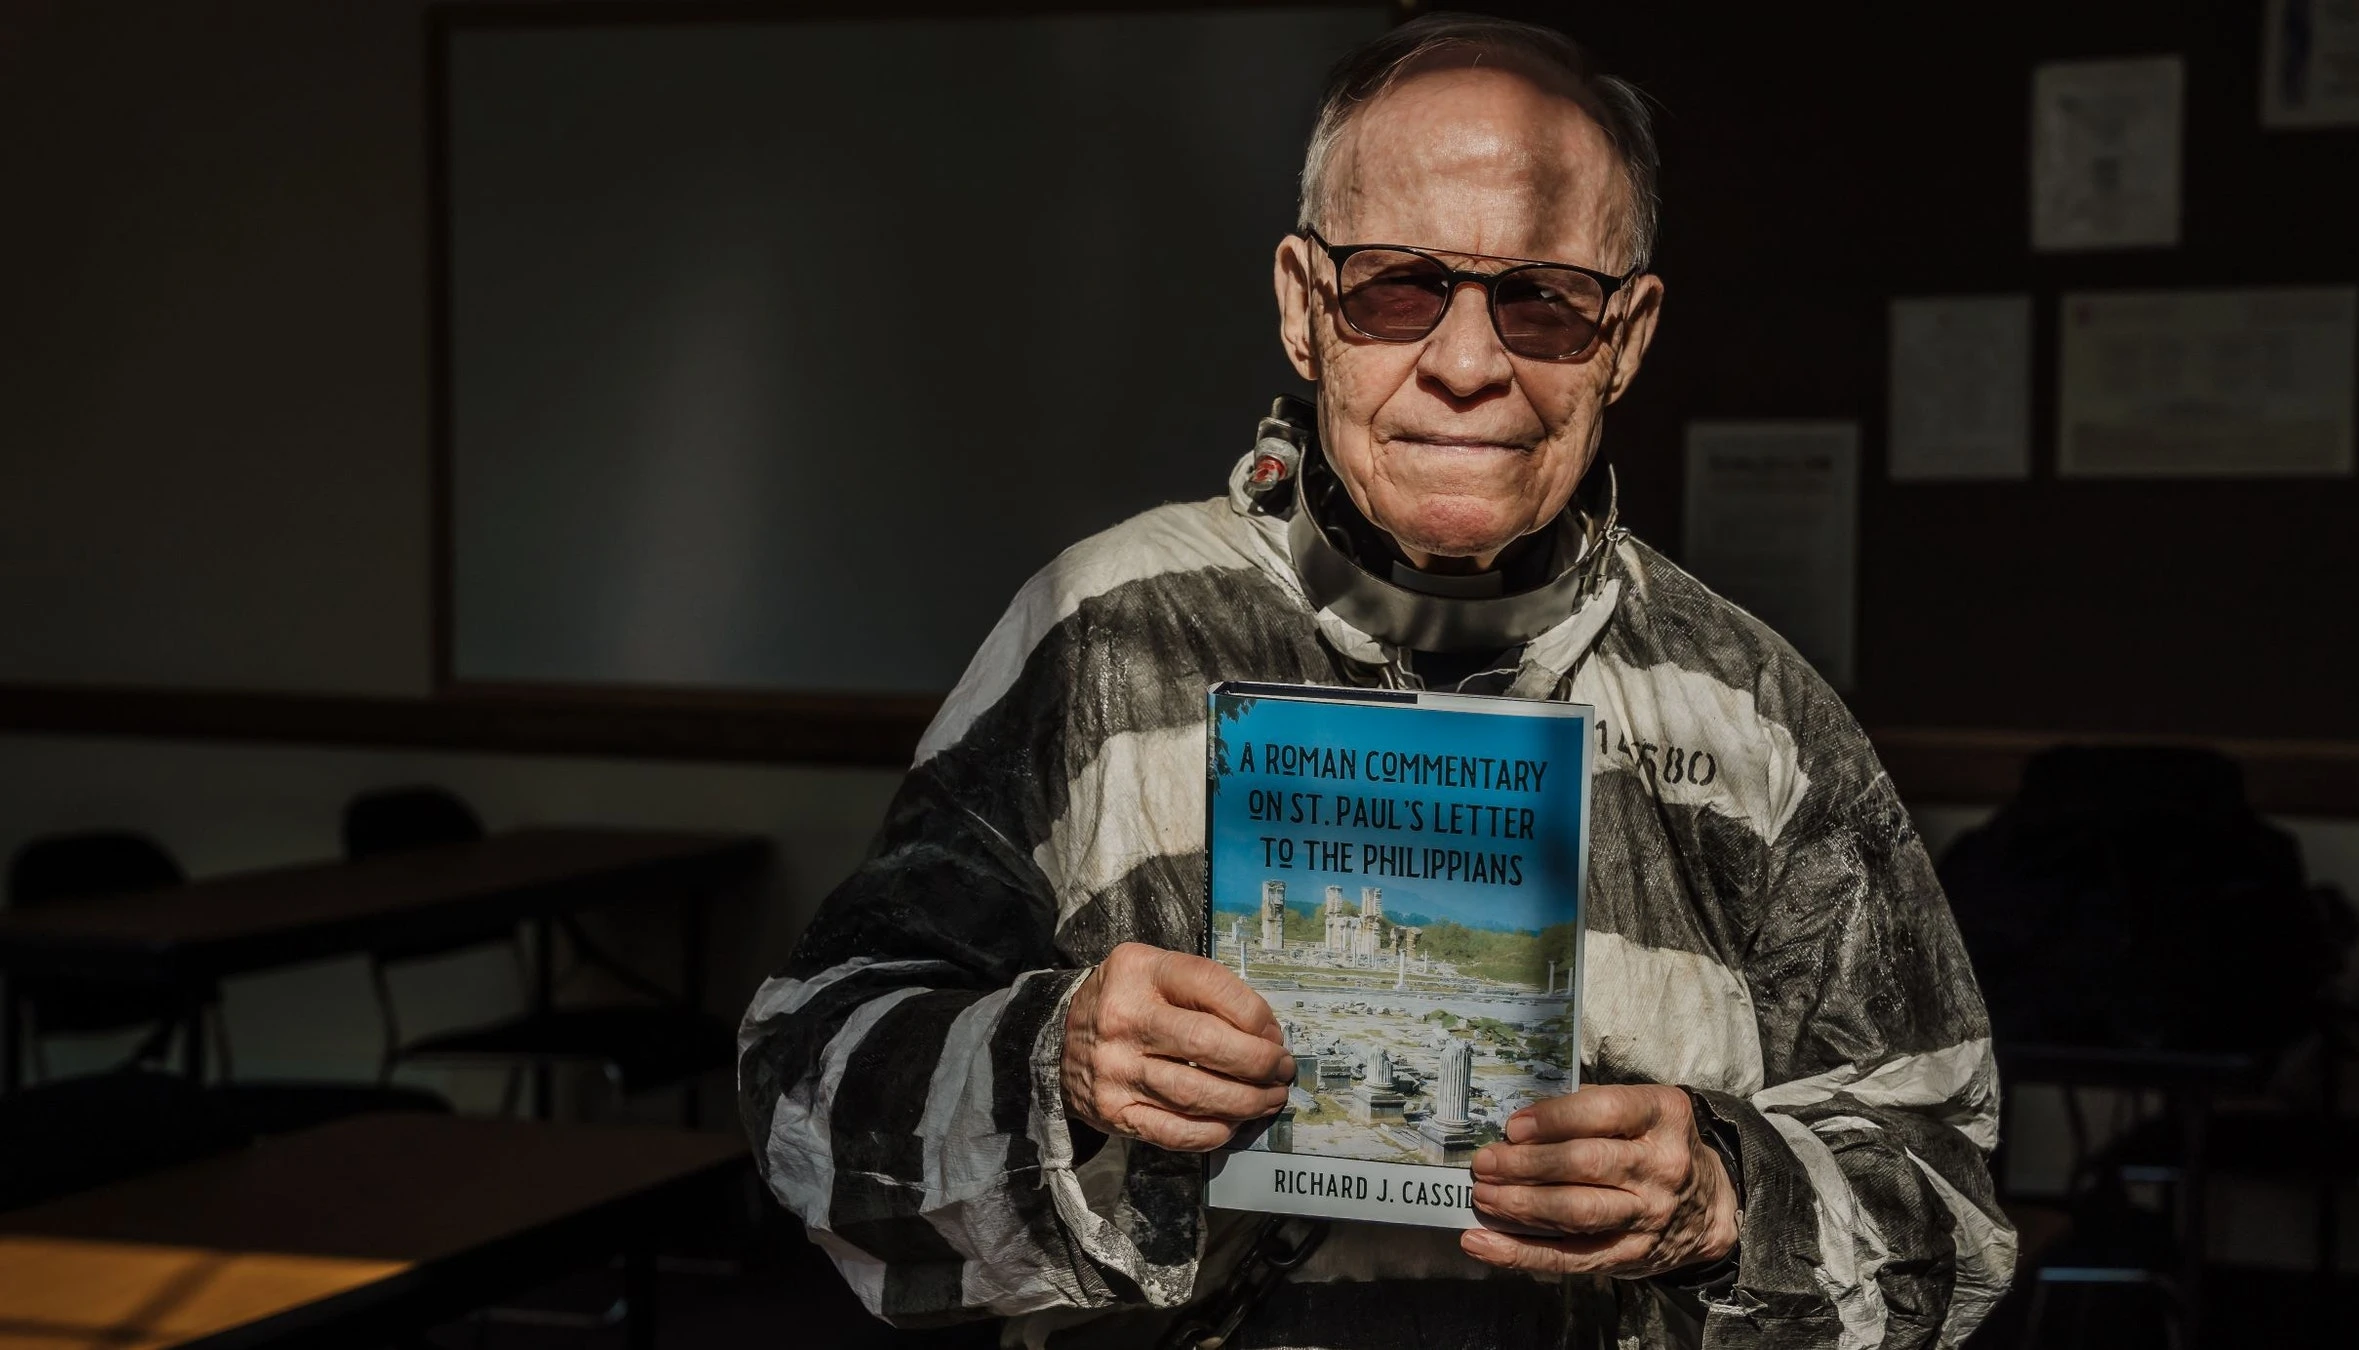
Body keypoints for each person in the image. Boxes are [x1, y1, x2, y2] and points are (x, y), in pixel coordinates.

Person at [740, 14, 2013, 1349]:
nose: (1468, 364)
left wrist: (1720, 1200)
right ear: (1304, 306)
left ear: (1625, 338)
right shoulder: (1106, 639)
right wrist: (1049, 1058)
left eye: (1544, 301)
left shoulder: (1751, 715)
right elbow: (802, 1086)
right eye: (1396, 286)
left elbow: (1954, 1203)